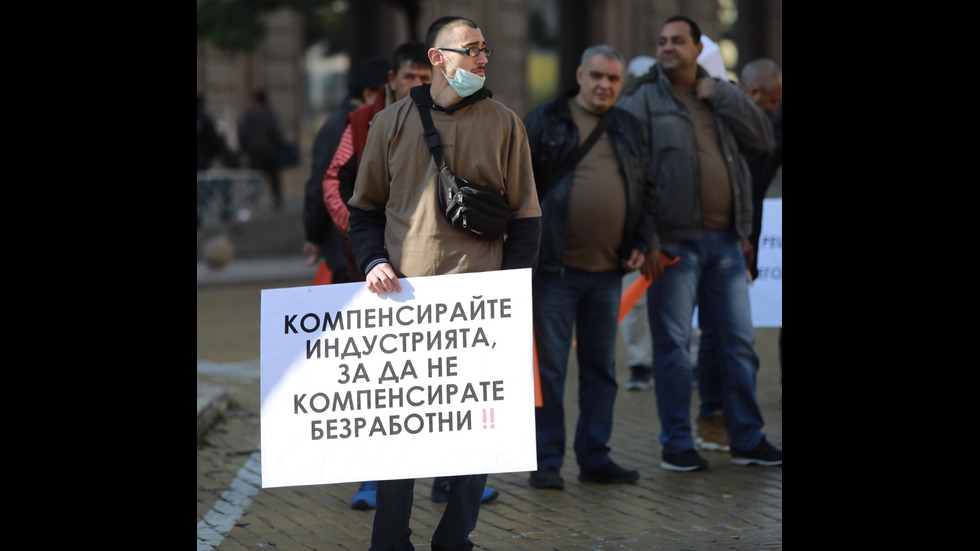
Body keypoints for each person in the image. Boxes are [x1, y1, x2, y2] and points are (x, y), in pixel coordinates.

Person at [345, 16, 541, 551]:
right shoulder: (390, 124)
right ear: (437, 58)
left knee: (478, 436)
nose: (482, 58)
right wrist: (371, 264)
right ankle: (389, 541)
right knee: (399, 438)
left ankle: (456, 539)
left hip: (479, 310)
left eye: (486, 50)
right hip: (404, 305)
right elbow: (362, 212)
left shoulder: (506, 124)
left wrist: (511, 293)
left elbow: (526, 219)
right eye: (471, 49)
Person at [322, 42, 501, 511]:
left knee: (444, 388)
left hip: (443, 279)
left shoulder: (468, 120)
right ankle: (372, 482)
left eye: (427, 75)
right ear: (391, 79)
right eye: (410, 77)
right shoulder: (365, 123)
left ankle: (448, 480)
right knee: (381, 390)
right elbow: (333, 184)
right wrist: (369, 250)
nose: (419, 84)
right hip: (378, 276)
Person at [617, 15, 782, 471]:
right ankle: (677, 444)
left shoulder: (718, 96)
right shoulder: (643, 101)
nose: (668, 47)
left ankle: (747, 438)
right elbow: (632, 176)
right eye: (662, 42)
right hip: (672, 246)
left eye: (678, 41)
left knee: (739, 344)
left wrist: (726, 94)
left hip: (727, 244)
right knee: (672, 349)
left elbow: (763, 140)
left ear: (696, 49)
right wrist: (646, 238)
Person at [523, 45, 661, 491]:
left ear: (622, 83)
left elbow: (647, 189)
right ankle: (546, 462)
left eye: (614, 79)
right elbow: (518, 190)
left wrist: (643, 241)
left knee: (601, 368)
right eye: (597, 75)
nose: (605, 85)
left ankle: (595, 457)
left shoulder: (628, 126)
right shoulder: (545, 121)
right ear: (580, 73)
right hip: (553, 273)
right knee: (549, 372)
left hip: (607, 273)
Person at [694, 58, 782, 452]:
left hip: (740, 238)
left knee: (725, 335)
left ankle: (720, 418)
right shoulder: (730, 126)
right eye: (773, 101)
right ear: (753, 94)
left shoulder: (761, 123)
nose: (776, 111)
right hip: (724, 240)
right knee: (728, 336)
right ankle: (717, 417)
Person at [302, 56, 390, 283]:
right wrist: (314, 235)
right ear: (370, 94)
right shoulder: (347, 125)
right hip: (348, 242)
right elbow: (322, 185)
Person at [238, 90, 288, 210]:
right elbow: (278, 132)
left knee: (254, 178)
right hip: (269, 152)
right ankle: (277, 201)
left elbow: (243, 133)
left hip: (255, 153)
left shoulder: (249, 115)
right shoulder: (270, 114)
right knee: (274, 178)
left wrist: (246, 148)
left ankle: (250, 203)